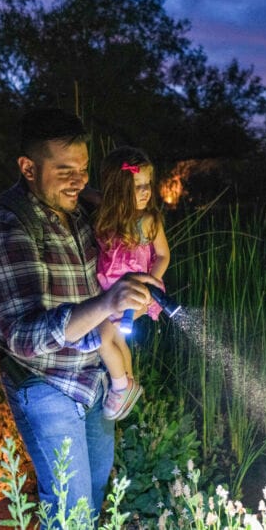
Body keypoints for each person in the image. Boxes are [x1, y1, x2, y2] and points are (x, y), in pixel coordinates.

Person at [0, 108, 160, 521]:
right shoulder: (7, 226)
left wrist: (131, 293)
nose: (79, 180)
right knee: (69, 511)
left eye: (84, 168)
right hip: (45, 384)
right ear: (27, 167)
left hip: (92, 377)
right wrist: (107, 304)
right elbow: (22, 335)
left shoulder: (76, 212)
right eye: (64, 170)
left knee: (91, 494)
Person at [93, 147, 170, 420]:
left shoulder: (148, 221)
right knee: (111, 336)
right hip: (112, 291)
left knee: (104, 338)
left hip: (138, 293)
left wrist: (153, 280)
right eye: (137, 186)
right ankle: (126, 381)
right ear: (118, 189)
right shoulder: (108, 217)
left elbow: (162, 254)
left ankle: (121, 385)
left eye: (147, 185)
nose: (145, 191)